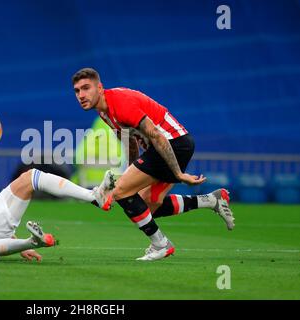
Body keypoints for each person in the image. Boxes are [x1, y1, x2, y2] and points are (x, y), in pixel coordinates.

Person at [72, 67, 235, 262]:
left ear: (100, 88)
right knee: (146, 206)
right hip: (164, 148)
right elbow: (130, 142)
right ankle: (211, 200)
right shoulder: (104, 113)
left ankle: (161, 245)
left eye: (86, 88)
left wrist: (178, 173)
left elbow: (156, 135)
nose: (81, 95)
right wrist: (131, 172)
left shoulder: (120, 103)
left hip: (172, 144)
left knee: (121, 193)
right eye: (77, 91)